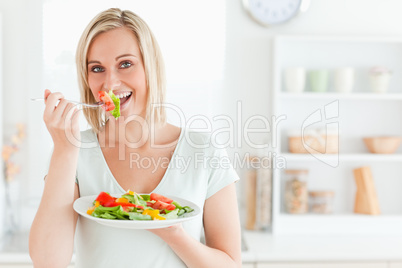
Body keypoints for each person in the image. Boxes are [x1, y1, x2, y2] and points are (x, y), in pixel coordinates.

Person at [29, 8, 241, 268]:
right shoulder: (74, 151)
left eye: (125, 64)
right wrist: (64, 148)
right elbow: (47, 262)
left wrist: (173, 235)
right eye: (97, 68)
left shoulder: (205, 151)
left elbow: (230, 264)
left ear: (150, 67)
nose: (110, 83)